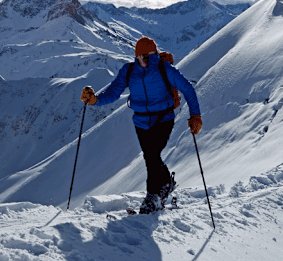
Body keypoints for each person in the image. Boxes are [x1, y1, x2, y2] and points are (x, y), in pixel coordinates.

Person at [80, 36, 202, 214]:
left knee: (152, 155)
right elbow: (113, 92)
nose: (142, 62)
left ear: (154, 55)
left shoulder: (165, 69)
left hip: (164, 118)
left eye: (146, 57)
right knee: (150, 156)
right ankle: (165, 183)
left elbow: (188, 89)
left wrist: (195, 115)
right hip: (140, 122)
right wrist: (94, 100)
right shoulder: (129, 71)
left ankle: (153, 197)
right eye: (139, 58)